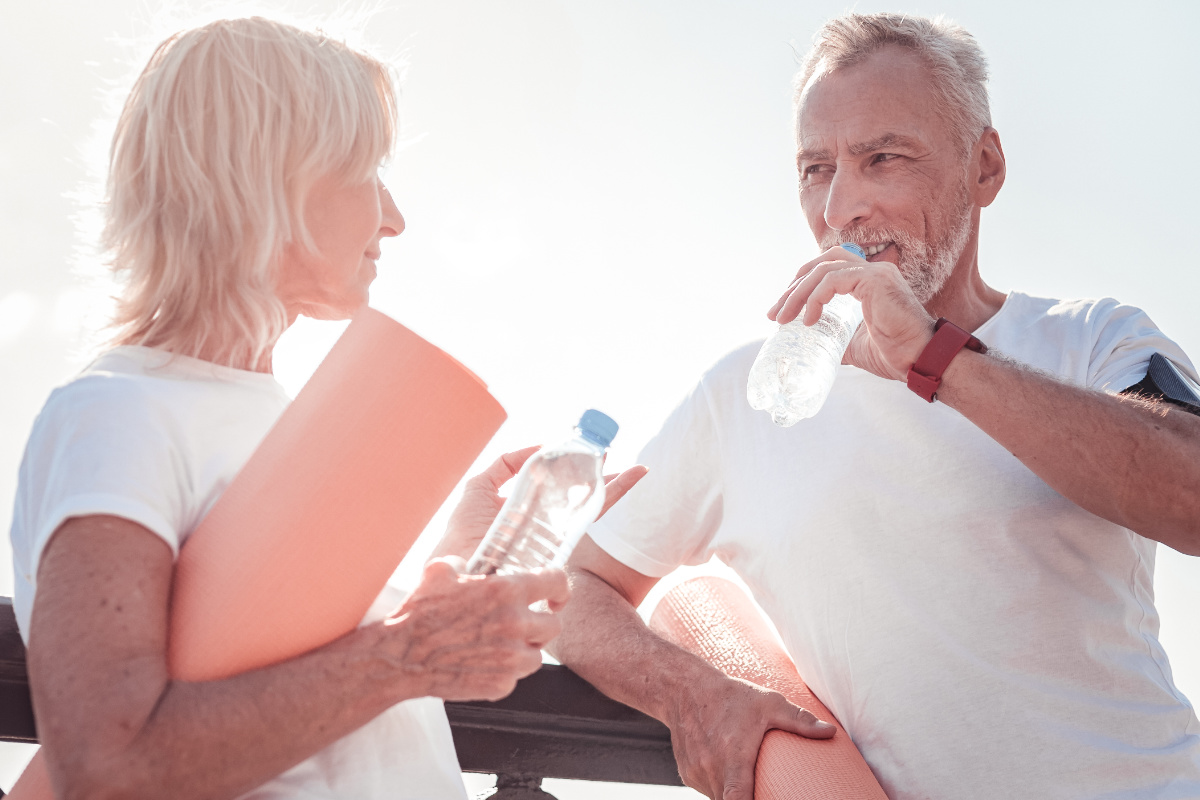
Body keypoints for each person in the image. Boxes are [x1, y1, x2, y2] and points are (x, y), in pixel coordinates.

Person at [549, 12, 1200, 800]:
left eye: (881, 158)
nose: (839, 209)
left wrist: (932, 356)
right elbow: (578, 595)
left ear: (983, 167)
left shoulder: (1096, 338)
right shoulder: (741, 397)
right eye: (816, 168)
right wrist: (695, 696)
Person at [8, 17, 642, 800]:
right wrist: (411, 652)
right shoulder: (117, 414)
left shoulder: (284, 419)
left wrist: (443, 593)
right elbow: (106, 769)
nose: (393, 217)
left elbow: (298, 683)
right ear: (269, 181)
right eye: (367, 171)